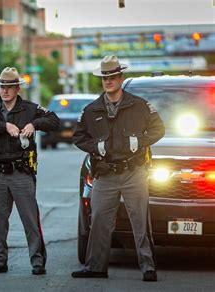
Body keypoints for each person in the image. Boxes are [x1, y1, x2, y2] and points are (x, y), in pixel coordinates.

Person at [71, 55, 165, 281]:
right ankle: (96, 267)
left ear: (120, 78)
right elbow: (78, 136)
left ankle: (148, 268)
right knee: (99, 221)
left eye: (112, 76)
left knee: (140, 221)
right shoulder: (92, 110)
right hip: (105, 174)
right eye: (105, 77)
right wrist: (95, 147)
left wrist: (139, 141)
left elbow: (158, 129)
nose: (108, 81)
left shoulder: (139, 106)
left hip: (134, 173)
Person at [0, 67, 60, 275]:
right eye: (1, 86)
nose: (4, 91)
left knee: (30, 220)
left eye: (9, 87)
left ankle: (37, 262)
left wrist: (34, 124)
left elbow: (54, 121)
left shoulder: (29, 108)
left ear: (17, 88)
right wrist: (4, 126)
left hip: (22, 172)